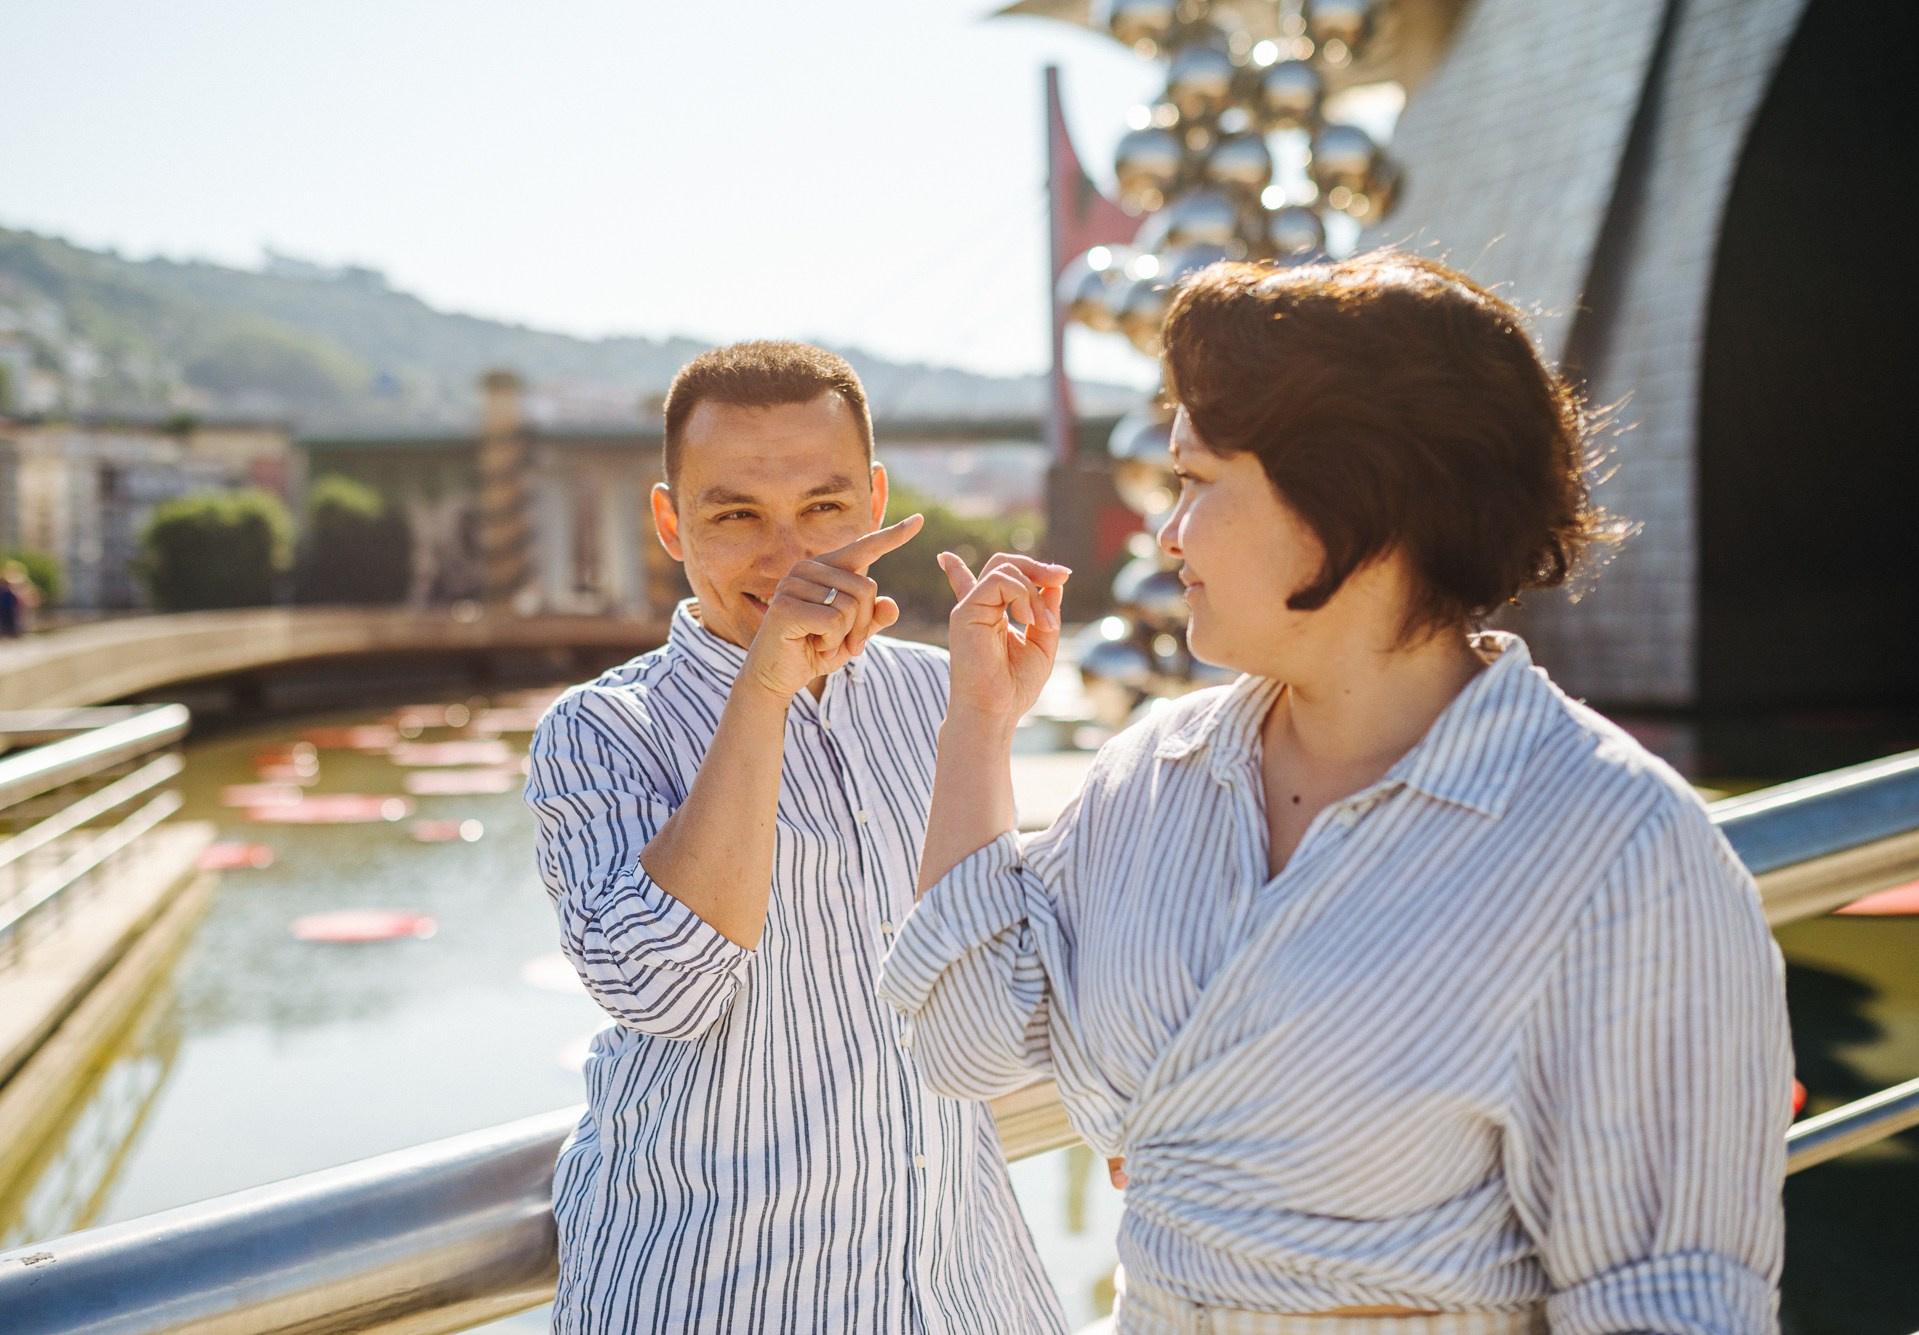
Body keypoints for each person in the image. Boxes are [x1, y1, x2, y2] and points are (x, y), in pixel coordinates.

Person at [882, 254, 1791, 1335]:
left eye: (1196, 482)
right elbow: (963, 1040)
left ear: (1347, 494)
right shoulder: (1151, 773)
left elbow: (1665, 1307)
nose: (1163, 537)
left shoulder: (1618, 850)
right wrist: (977, 721)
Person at [524, 341, 1067, 1334]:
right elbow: (661, 989)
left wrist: (985, 723)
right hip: (715, 1294)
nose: (787, 557)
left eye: (822, 509)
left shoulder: (938, 691)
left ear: (873, 500)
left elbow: (999, 967)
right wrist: (764, 686)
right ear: (667, 522)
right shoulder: (600, 730)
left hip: (955, 1287)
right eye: (736, 515)